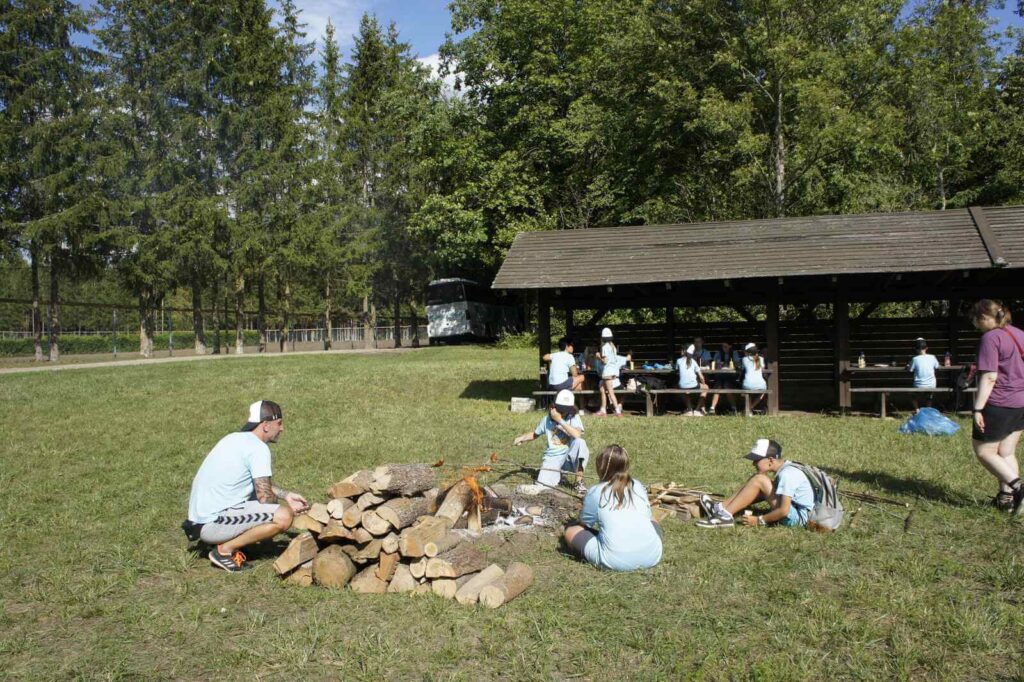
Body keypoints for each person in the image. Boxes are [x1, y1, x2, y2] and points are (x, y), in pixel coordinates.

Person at [184, 400, 309, 572]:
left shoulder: (234, 438)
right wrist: (289, 509)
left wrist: (286, 495)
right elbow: (265, 499)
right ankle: (224, 550)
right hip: (211, 524)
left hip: (200, 519)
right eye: (279, 423)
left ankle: (226, 542)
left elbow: (255, 484)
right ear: (265, 425)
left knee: (260, 500)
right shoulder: (258, 448)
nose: (282, 428)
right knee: (283, 516)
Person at [563, 444, 663, 571]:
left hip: (615, 561)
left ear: (601, 467)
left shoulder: (596, 491)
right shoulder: (637, 484)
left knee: (571, 531)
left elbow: (585, 524)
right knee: (652, 519)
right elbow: (648, 516)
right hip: (653, 556)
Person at [969, 300, 1024, 514]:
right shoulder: (1019, 334)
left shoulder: (990, 338)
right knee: (1006, 451)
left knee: (984, 450)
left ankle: (1018, 488)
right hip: (1021, 402)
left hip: (1000, 402)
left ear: (983, 317)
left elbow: (990, 376)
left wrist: (977, 408)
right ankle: (1007, 500)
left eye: (975, 319)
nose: (975, 324)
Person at [696, 439, 813, 529]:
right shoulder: (787, 467)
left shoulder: (787, 474)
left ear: (771, 460)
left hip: (798, 520)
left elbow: (784, 511)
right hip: (797, 512)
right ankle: (721, 508)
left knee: (759, 480)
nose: (753, 464)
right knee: (758, 479)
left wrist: (759, 520)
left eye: (756, 460)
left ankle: (725, 517)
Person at [514, 389, 589, 495]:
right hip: (553, 458)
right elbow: (535, 434)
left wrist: (560, 420)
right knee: (542, 486)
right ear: (554, 406)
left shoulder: (573, 417)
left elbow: (577, 435)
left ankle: (578, 482)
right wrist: (521, 438)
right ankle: (559, 475)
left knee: (580, 443)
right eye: (561, 409)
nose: (564, 412)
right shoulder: (546, 420)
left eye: (566, 410)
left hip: (569, 457)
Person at [596, 327, 630, 417]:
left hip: (607, 372)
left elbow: (605, 361)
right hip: (612, 371)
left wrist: (598, 356)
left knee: (610, 392)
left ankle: (617, 411)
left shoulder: (604, 347)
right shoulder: (613, 346)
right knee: (602, 389)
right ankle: (603, 409)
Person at [907, 337, 939, 413]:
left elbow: (910, 370)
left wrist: (908, 365)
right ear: (927, 348)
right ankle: (928, 409)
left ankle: (917, 409)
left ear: (916, 349)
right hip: (931, 385)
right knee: (929, 395)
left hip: (918, 385)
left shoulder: (915, 359)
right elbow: (937, 366)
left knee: (911, 394)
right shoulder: (932, 357)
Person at [676, 343, 708, 416]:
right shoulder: (693, 361)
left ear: (684, 351)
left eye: (681, 350)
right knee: (706, 388)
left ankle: (689, 409)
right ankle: (697, 410)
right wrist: (703, 383)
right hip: (694, 385)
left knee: (681, 388)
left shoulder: (678, 361)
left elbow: (676, 369)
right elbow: (701, 377)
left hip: (683, 386)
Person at [710, 341, 739, 415]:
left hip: (730, 376)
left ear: (730, 346)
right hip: (720, 375)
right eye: (722, 347)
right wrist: (718, 364)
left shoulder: (734, 353)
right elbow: (714, 363)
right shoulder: (718, 353)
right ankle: (712, 408)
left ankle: (734, 408)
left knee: (726, 386)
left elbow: (737, 365)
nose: (724, 348)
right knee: (718, 386)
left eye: (726, 347)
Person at [741, 342, 768, 413]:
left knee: (748, 391)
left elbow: (743, 368)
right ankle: (751, 407)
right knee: (763, 391)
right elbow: (761, 368)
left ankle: (748, 409)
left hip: (747, 384)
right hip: (761, 384)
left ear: (747, 352)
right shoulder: (760, 359)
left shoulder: (744, 359)